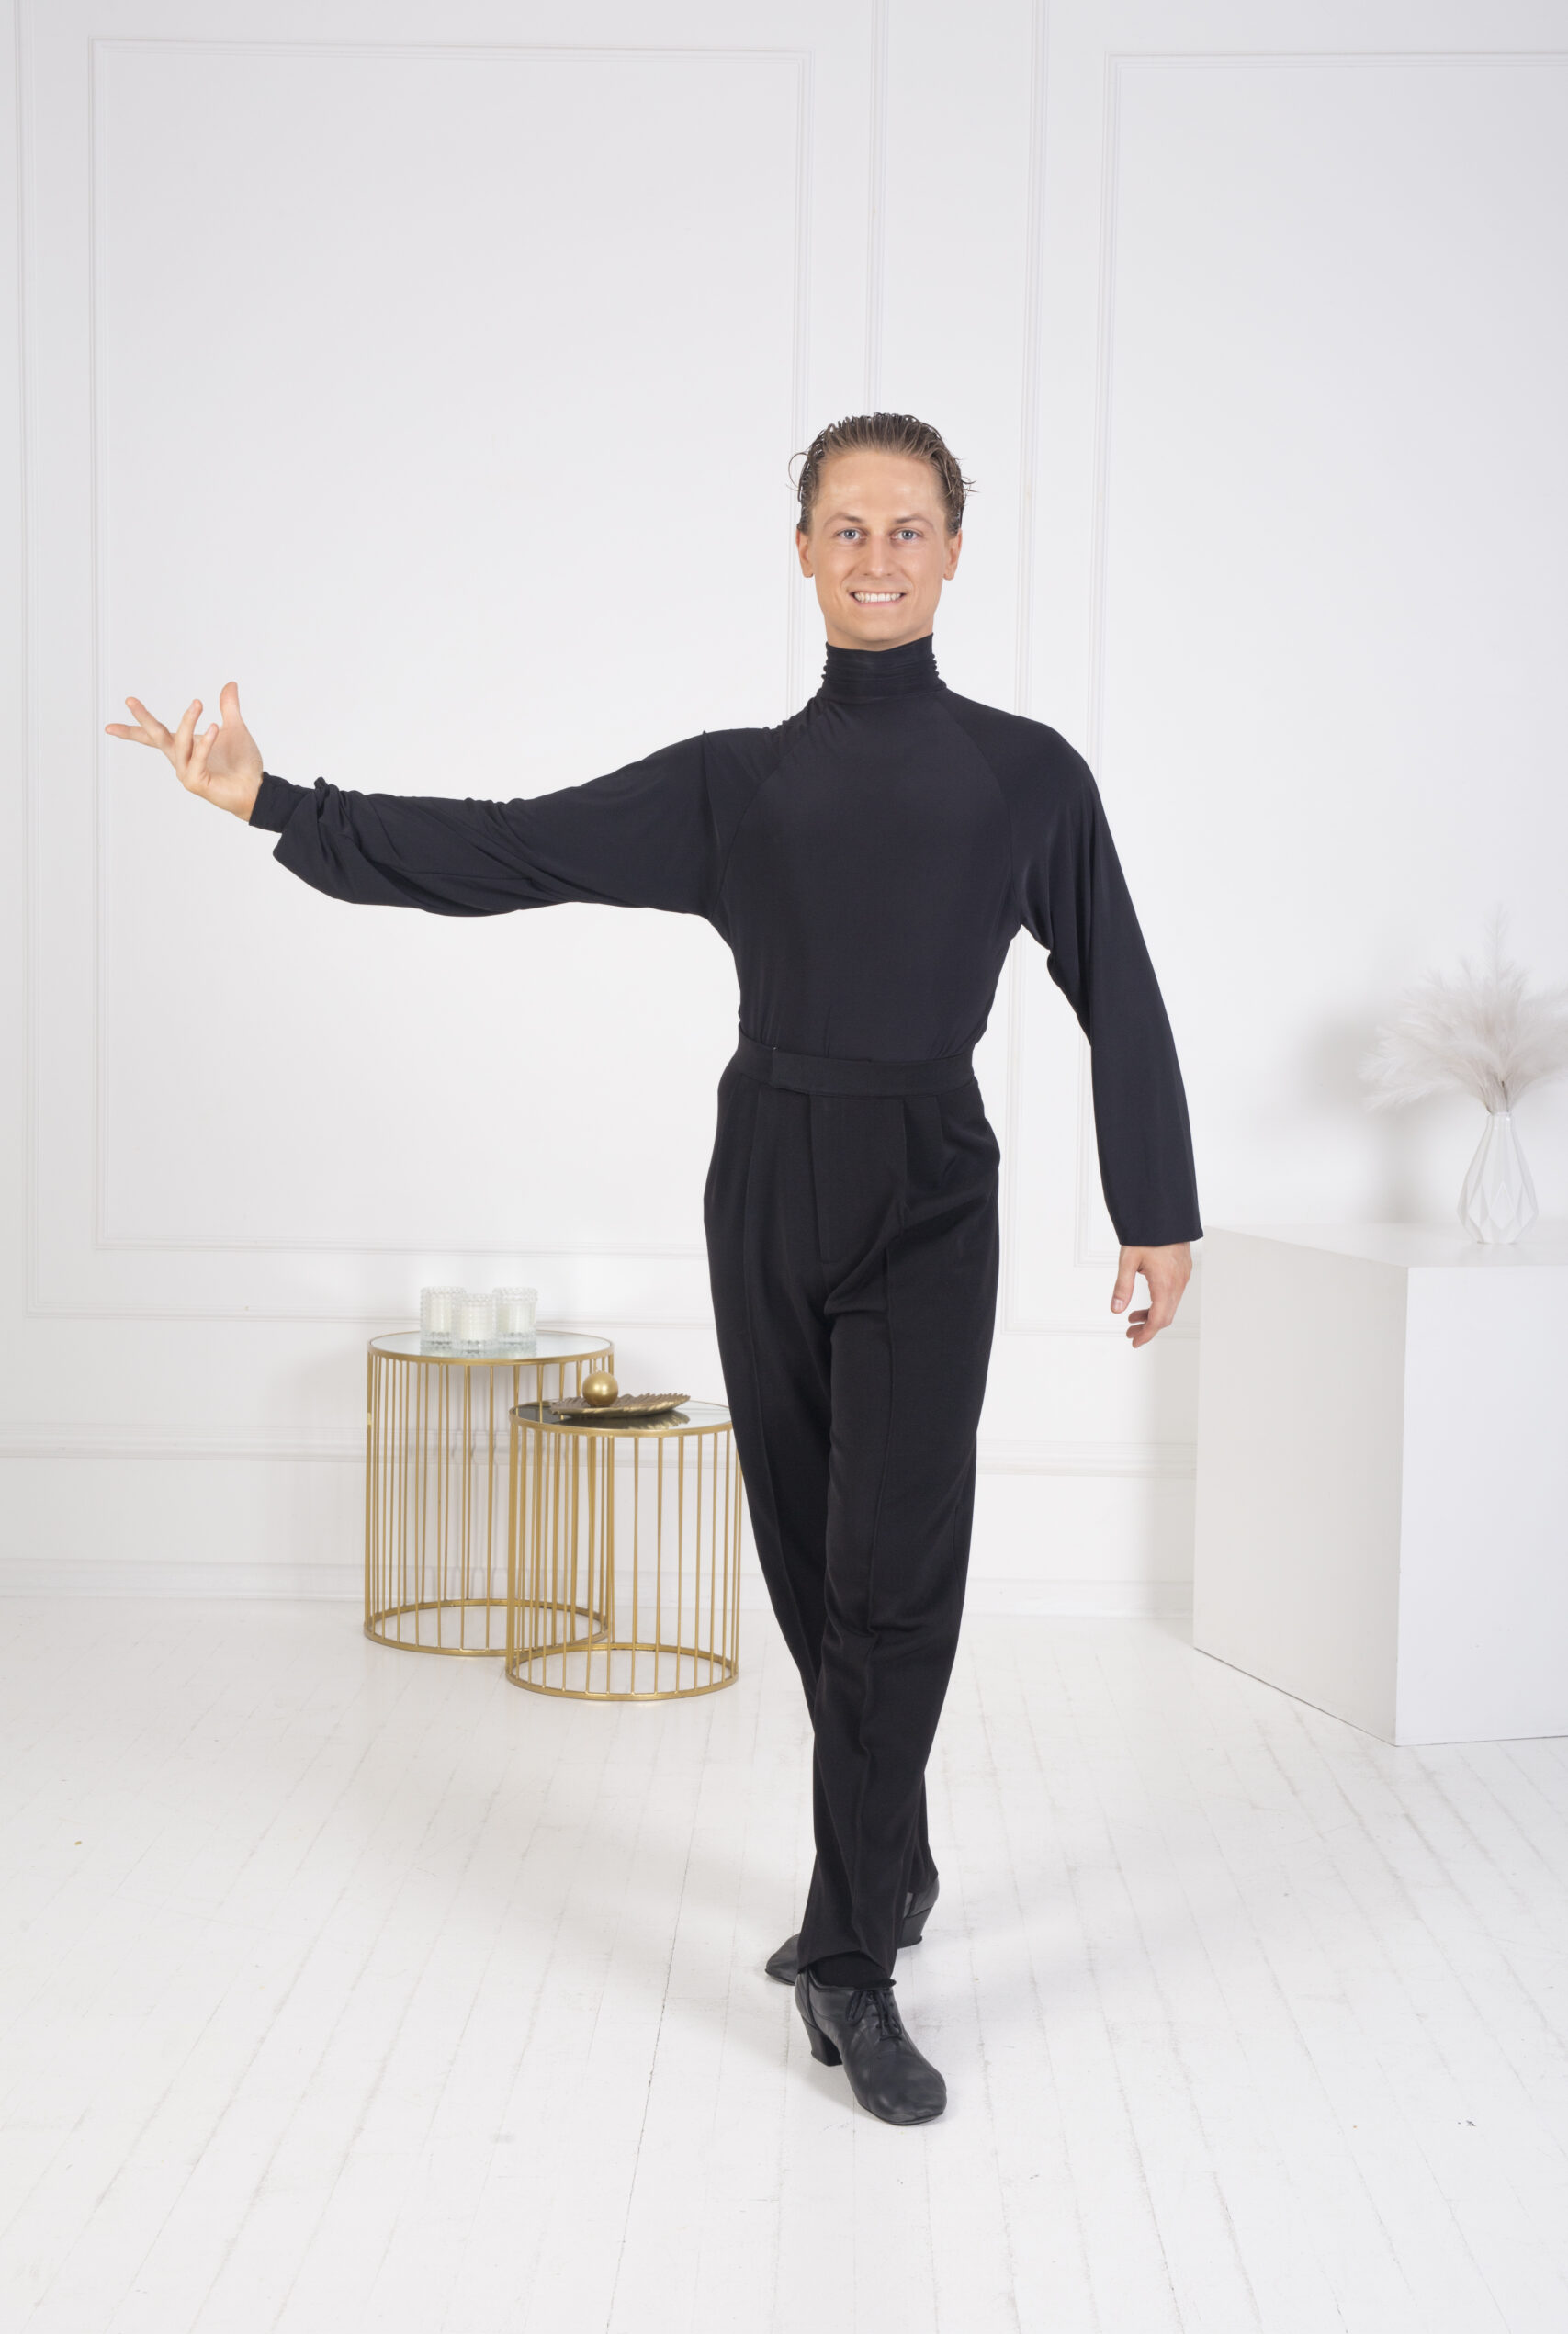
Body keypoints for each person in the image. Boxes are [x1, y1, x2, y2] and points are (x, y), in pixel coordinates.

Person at [107, 412, 1200, 2128]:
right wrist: (274, 803)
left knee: (895, 1572)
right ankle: (892, 1859)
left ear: (955, 551)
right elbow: (510, 849)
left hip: (930, 1184)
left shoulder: (1028, 777)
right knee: (810, 1561)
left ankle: (851, 1960)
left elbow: (1113, 979)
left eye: (908, 528)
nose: (878, 558)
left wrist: (1157, 1204)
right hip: (765, 1175)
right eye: (848, 528)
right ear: (804, 551)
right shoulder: (732, 786)